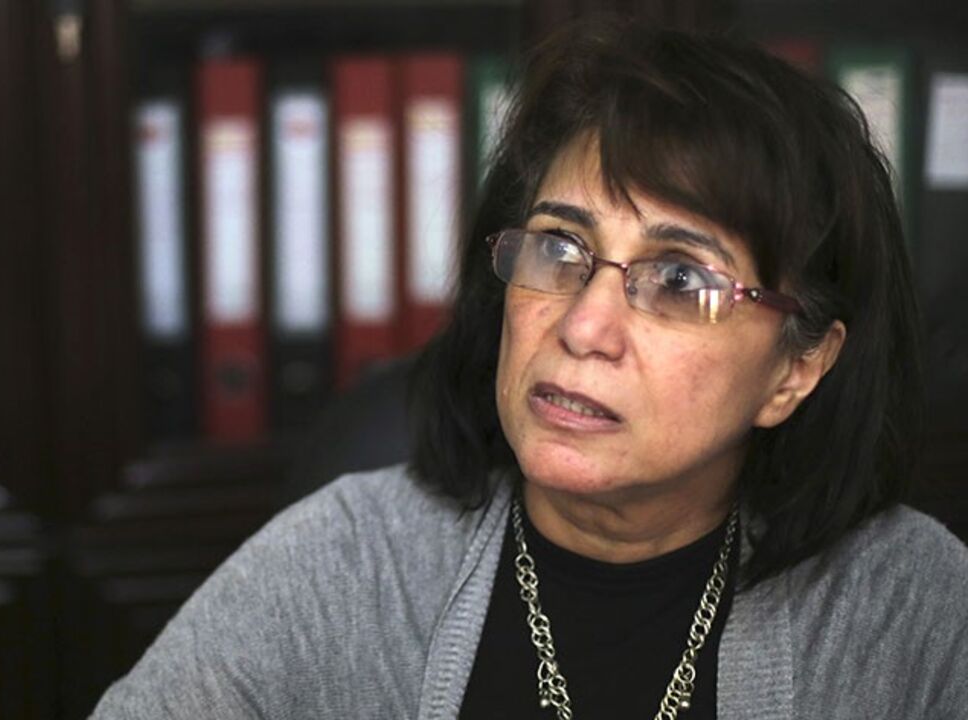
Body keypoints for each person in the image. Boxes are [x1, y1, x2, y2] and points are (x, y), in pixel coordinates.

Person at [92, 19, 968, 719]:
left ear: (798, 369)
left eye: (677, 280)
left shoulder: (910, 611)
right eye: (560, 248)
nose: (585, 324)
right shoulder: (342, 565)